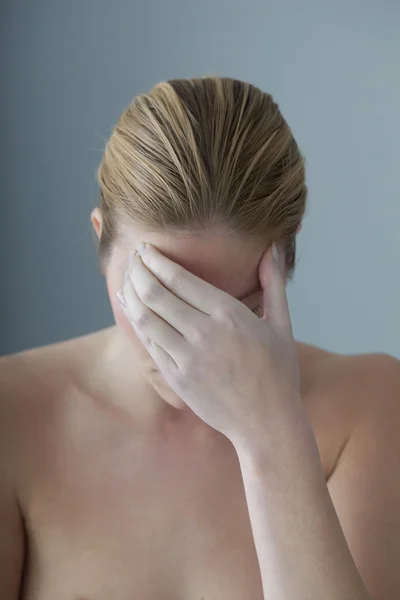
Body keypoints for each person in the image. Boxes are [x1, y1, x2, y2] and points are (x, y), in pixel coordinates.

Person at [1, 76, 399, 600]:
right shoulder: (14, 412)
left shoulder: (373, 405)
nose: (193, 352)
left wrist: (273, 436)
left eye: (237, 311)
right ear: (101, 241)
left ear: (286, 262)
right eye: (158, 300)